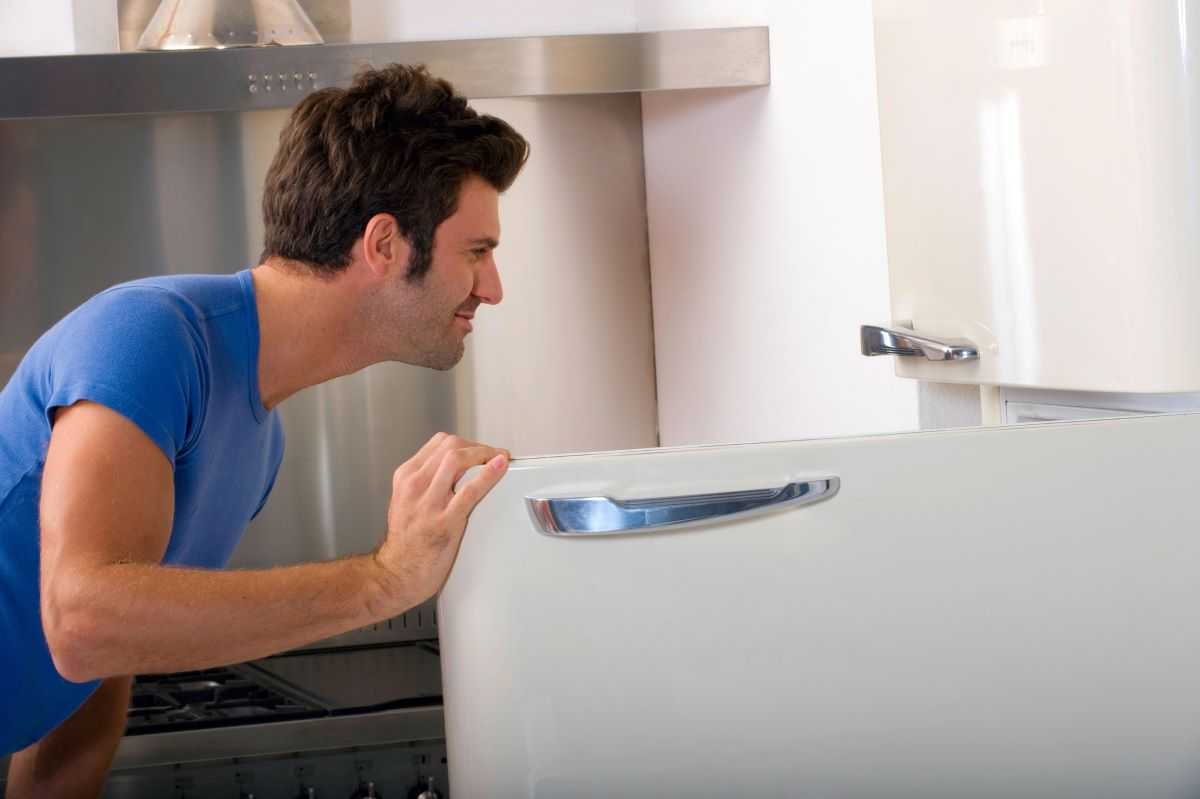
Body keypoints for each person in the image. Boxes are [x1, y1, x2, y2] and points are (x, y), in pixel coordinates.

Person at [0, 63, 529, 796]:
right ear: (383, 245)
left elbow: (101, 662)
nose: (493, 287)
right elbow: (83, 618)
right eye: (477, 251)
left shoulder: (257, 439)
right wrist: (383, 580)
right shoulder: (151, 338)